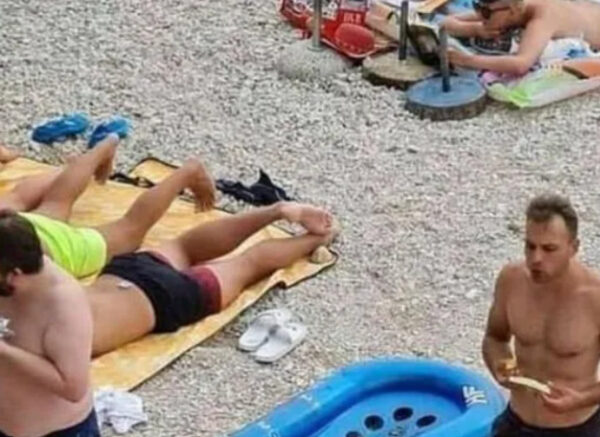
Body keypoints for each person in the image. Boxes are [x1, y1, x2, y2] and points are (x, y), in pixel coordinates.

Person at [87, 201, 338, 356]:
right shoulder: (60, 292)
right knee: (184, 247)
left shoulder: (67, 341)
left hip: (163, 300)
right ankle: (276, 211)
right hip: (124, 272)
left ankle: (318, 238)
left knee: (249, 264)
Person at [0, 133, 215, 278]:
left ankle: (188, 173)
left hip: (54, 249)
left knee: (130, 230)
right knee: (57, 202)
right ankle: (105, 145)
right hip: (21, 229)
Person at [484, 193, 600, 436]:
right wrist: (499, 363)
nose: (536, 258)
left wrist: (580, 399)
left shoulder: (594, 297)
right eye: (530, 246)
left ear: (574, 248)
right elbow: (495, 337)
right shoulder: (511, 280)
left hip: (576, 428)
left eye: (549, 249)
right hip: (517, 421)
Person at [0, 210, 99, 437]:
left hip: (57, 431)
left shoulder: (64, 305)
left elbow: (73, 387)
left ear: (14, 275)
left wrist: (5, 351)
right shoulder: (12, 262)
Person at [441, 0, 600, 75]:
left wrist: (468, 60)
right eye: (477, 7)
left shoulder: (541, 18)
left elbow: (520, 64)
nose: (481, 17)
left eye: (486, 12)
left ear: (513, 10)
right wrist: (475, 29)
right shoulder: (502, 9)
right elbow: (446, 22)